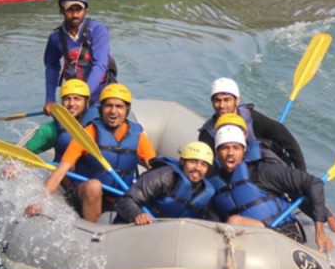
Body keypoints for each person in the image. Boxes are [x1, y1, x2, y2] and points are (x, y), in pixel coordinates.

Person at [205, 125, 335, 253]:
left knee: (234, 221)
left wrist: (320, 229)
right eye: (225, 148)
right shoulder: (213, 184)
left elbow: (313, 183)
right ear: (217, 152)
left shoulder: (262, 171)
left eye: (236, 148)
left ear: (243, 151)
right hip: (244, 239)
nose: (230, 153)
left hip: (282, 232)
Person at [43, 83, 156, 222]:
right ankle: (92, 230)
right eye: (108, 105)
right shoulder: (87, 134)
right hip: (84, 194)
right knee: (94, 186)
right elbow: (60, 171)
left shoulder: (138, 137)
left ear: (127, 109)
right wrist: (39, 202)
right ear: (101, 109)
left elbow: (156, 172)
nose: (113, 111)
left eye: (119, 106)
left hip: (121, 195)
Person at [198, 78, 307, 171]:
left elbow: (288, 141)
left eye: (227, 100)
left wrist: (301, 171)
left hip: (271, 168)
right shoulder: (208, 134)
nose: (222, 105)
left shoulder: (251, 118)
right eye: (217, 100)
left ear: (237, 100)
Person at [43, 0, 117, 111]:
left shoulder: (97, 30)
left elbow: (100, 64)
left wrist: (84, 94)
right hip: (73, 96)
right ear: (61, 11)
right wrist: (50, 100)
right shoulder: (55, 37)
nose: (75, 14)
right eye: (70, 10)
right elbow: (52, 67)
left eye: (79, 9)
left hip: (100, 91)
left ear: (86, 11)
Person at [114, 141, 216, 225]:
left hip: (170, 238)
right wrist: (137, 214)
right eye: (193, 162)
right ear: (182, 162)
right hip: (140, 227)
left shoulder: (206, 192)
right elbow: (126, 200)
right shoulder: (163, 176)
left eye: (204, 165)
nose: (198, 168)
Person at [23, 78, 94, 161]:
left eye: (77, 98)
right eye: (67, 99)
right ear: (62, 103)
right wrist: (12, 168)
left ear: (87, 102)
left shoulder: (99, 125)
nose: (71, 103)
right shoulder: (49, 130)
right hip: (63, 172)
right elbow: (22, 155)